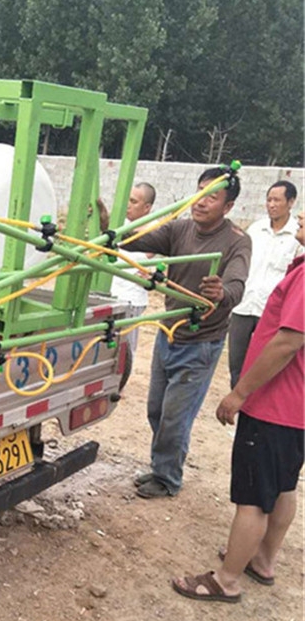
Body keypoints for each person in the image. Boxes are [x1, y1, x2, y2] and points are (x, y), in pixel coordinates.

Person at [172, 212, 304, 603]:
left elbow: (288, 342)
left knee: (252, 498)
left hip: (274, 406)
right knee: (283, 486)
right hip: (295, 408)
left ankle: (226, 580)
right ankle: (262, 560)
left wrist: (240, 393)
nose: (302, 215)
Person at [128, 167, 251, 498]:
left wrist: (221, 292)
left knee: (175, 417)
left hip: (201, 343)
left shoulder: (237, 241)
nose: (202, 201)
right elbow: (136, 239)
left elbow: (237, 285)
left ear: (228, 206)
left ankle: (168, 479)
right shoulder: (179, 229)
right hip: (169, 333)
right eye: (200, 192)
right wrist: (111, 228)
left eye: (212, 195)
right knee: (157, 409)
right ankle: (161, 466)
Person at [228, 180, 300, 387]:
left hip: (271, 313)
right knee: (236, 363)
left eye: (277, 200)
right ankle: (238, 403)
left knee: (263, 363)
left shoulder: (297, 235)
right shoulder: (255, 230)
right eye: (269, 200)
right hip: (244, 306)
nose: (272, 204)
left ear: (290, 202)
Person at [110, 182, 156, 354]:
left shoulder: (154, 229)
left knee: (124, 350)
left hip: (131, 299)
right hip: (109, 294)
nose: (128, 205)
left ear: (147, 208)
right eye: (127, 200)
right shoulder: (120, 223)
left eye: (133, 201)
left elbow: (143, 249)